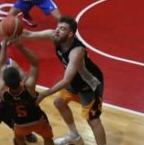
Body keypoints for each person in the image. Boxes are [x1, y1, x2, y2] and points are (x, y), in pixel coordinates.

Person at [20, 16, 106, 145]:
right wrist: (7, 30)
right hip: (75, 81)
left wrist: (43, 93)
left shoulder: (77, 51)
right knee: (59, 102)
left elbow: (66, 80)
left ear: (70, 34)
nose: (57, 30)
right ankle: (74, 135)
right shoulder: (55, 36)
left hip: (89, 85)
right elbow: (28, 33)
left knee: (93, 120)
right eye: (57, 27)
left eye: (62, 28)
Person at [0, 38, 55, 145]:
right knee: (48, 139)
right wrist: (21, 47)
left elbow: (1, 65)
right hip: (38, 121)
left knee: (19, 139)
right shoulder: (29, 87)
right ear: (20, 78)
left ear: (5, 83)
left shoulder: (2, 93)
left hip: (20, 125)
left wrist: (5, 42)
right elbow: (35, 63)